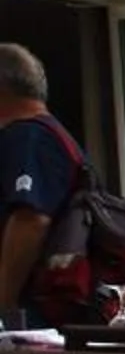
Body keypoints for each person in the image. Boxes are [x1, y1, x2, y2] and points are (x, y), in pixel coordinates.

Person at [0, 44, 81, 329]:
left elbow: (31, 219)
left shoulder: (29, 137)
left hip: (31, 318)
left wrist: (4, 303)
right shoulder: (50, 133)